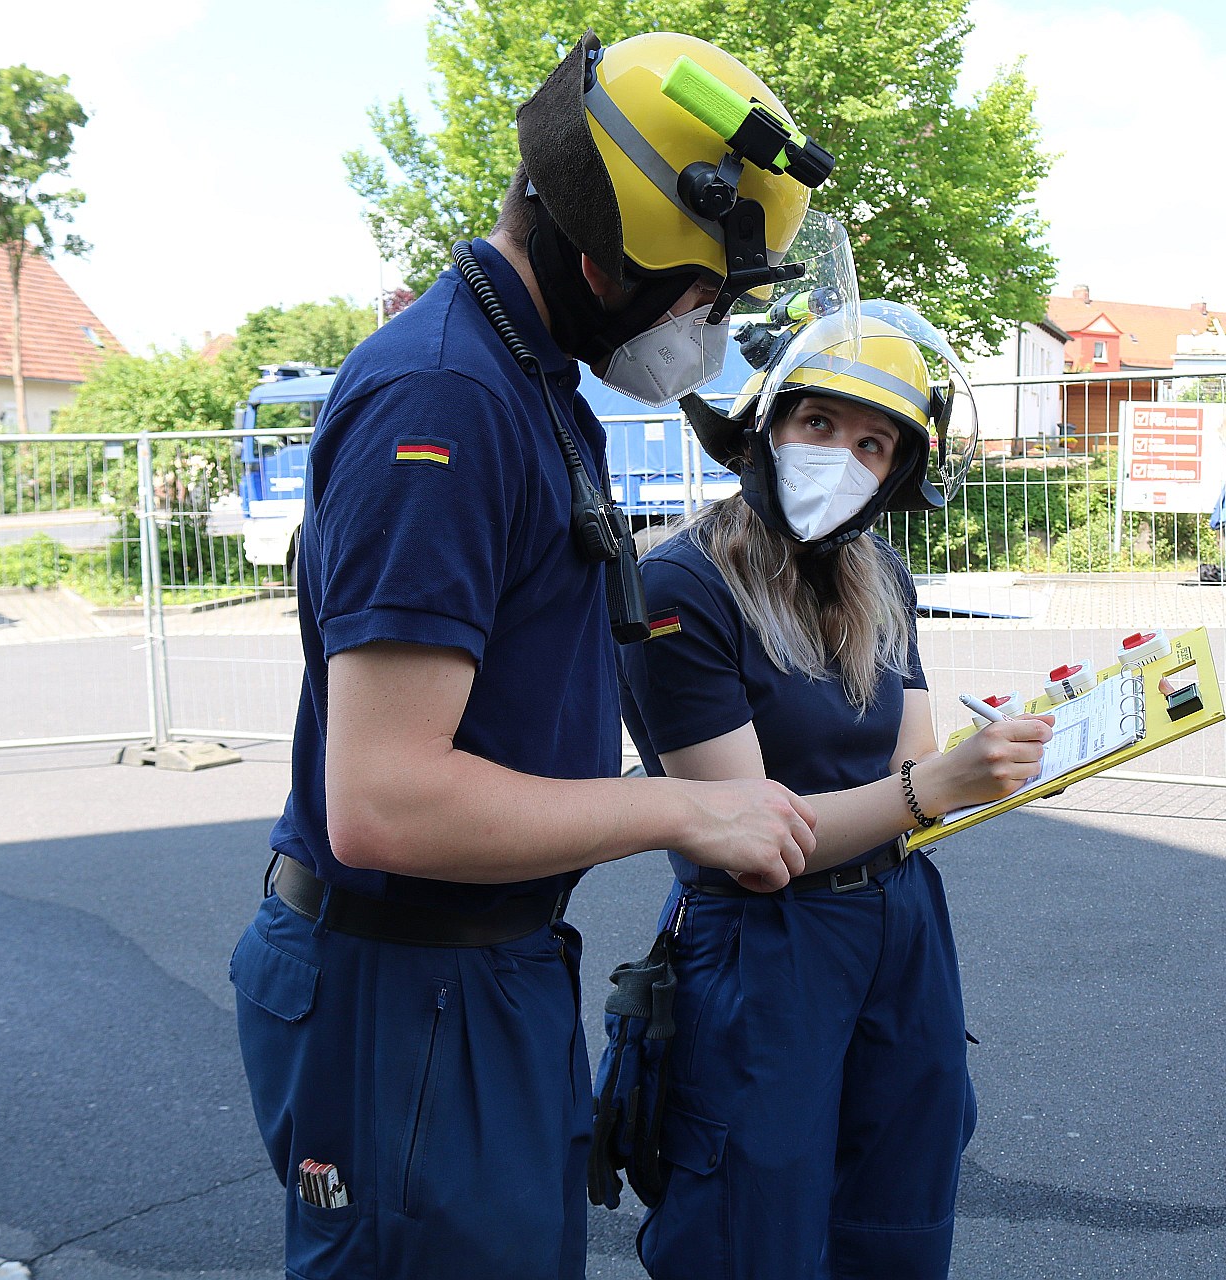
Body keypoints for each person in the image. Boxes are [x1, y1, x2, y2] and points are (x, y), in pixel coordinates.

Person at [228, 31, 851, 1279]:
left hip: (477, 975)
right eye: (703, 297)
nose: (712, 333)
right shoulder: (447, 402)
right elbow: (388, 801)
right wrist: (685, 808)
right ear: (599, 257)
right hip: (407, 994)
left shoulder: (525, 376)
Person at [606, 303, 1055, 1277]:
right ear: (767, 423)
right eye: (819, 425)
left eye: (871, 441)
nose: (840, 455)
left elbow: (916, 752)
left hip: (899, 923)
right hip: (766, 944)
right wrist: (933, 788)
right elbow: (750, 832)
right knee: (747, 1228)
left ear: (894, 472)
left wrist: (988, 760)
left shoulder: (878, 573)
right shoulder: (681, 588)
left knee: (900, 1214)